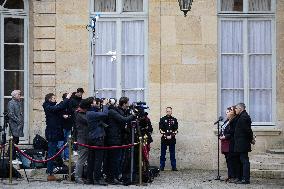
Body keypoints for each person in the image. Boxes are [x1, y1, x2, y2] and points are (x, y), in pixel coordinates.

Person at [105, 97, 136, 184]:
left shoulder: (116, 111)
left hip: (118, 138)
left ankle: (116, 176)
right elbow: (123, 119)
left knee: (117, 159)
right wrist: (133, 115)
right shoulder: (112, 111)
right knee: (113, 159)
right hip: (113, 139)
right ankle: (111, 178)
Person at [42, 92, 71, 181]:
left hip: (56, 132)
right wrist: (66, 99)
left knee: (54, 152)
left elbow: (58, 111)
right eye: (54, 98)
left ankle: (51, 170)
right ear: (50, 99)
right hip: (52, 133)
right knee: (51, 152)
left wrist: (63, 116)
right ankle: (50, 172)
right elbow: (58, 107)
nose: (55, 99)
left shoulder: (52, 106)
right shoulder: (47, 106)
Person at [85, 98, 109, 185]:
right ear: (91, 104)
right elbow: (105, 114)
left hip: (92, 138)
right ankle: (97, 179)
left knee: (91, 159)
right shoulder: (91, 113)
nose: (97, 103)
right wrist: (105, 105)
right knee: (97, 160)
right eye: (95, 102)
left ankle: (89, 179)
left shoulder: (90, 112)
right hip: (97, 138)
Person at [234, 103, 255, 184]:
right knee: (240, 161)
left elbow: (248, 130)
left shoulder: (244, 117)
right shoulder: (241, 116)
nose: (235, 110)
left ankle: (246, 179)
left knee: (244, 160)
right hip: (240, 143)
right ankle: (240, 177)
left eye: (236, 108)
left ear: (240, 108)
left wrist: (251, 139)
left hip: (243, 143)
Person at [219, 106, 238, 182]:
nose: (226, 114)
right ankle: (230, 175)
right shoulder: (226, 121)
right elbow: (222, 129)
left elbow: (233, 132)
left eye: (228, 112)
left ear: (232, 112)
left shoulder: (234, 121)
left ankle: (233, 176)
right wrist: (221, 135)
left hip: (230, 142)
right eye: (226, 112)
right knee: (228, 160)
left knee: (232, 160)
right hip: (225, 143)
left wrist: (225, 136)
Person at [74, 99, 89, 184]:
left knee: (84, 158)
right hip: (82, 138)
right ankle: (77, 177)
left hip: (85, 138)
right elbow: (88, 121)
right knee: (81, 158)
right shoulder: (79, 114)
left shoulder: (81, 113)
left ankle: (82, 176)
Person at [159, 107, 178, 171]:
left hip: (172, 139)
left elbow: (176, 130)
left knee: (172, 154)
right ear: (166, 112)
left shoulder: (174, 120)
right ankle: (162, 166)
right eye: (167, 111)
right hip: (164, 139)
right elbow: (160, 129)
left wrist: (171, 136)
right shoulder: (162, 119)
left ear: (171, 112)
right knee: (163, 154)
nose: (168, 112)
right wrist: (165, 135)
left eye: (169, 111)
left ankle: (174, 167)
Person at [7, 90, 24, 160]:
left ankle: (12, 155)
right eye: (18, 94)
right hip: (14, 125)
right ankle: (11, 156)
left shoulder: (19, 102)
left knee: (16, 141)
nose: (20, 96)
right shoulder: (11, 103)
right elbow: (11, 114)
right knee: (13, 141)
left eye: (20, 94)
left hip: (18, 125)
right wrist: (18, 120)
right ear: (14, 96)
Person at [58, 93, 73, 161]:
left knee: (67, 143)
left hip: (68, 126)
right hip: (62, 127)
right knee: (61, 143)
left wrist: (69, 116)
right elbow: (59, 114)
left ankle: (67, 157)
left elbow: (72, 114)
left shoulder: (70, 105)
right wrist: (63, 116)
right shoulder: (61, 105)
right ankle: (60, 158)